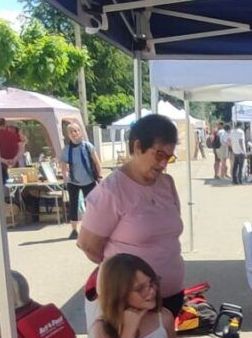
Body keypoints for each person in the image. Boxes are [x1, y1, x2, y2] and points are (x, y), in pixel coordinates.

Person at [78, 114, 187, 316]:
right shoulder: (111, 191)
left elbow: (171, 231)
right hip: (131, 301)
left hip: (171, 294)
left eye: (169, 157)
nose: (164, 164)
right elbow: (88, 245)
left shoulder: (167, 183)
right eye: (159, 155)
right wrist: (126, 275)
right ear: (137, 147)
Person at [59, 122, 103, 241]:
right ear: (68, 134)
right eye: (71, 132)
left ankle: (92, 229)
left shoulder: (87, 146)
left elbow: (97, 162)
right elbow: (63, 165)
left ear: (80, 132)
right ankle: (74, 230)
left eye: (76, 131)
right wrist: (65, 178)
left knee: (91, 205)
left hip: (89, 180)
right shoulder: (66, 150)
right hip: (73, 181)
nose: (74, 134)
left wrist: (100, 175)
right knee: (73, 205)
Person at [0, 118, 25, 185]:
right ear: (5, 125)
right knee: (15, 187)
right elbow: (21, 149)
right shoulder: (14, 135)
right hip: (14, 165)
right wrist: (14, 160)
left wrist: (4, 161)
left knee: (1, 188)